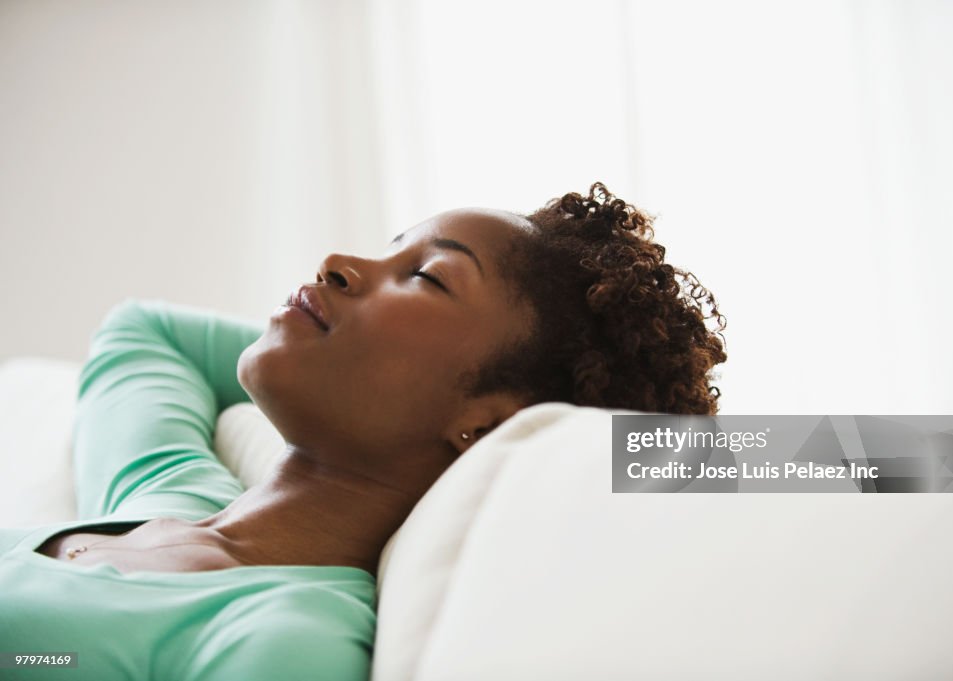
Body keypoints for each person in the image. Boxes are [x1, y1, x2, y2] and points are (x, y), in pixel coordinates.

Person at [0, 183, 726, 680]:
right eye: (389, 246)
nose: (339, 265)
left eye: (426, 277)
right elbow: (144, 331)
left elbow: (833, 455)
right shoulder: (168, 488)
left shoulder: (283, 638)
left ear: (489, 421)